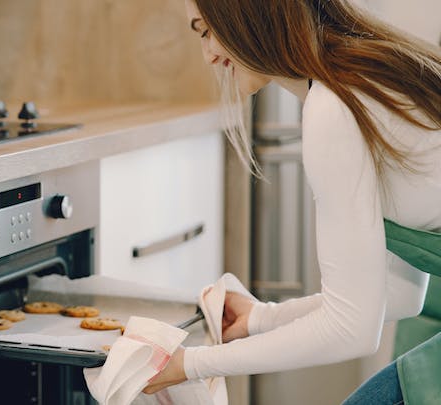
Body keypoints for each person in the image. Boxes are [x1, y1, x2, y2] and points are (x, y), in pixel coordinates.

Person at [144, 0, 441, 403]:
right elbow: (401, 295)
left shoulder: (334, 108)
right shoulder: (362, 76)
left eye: (207, 30)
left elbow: (350, 328)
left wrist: (190, 364)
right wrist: (259, 319)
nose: (209, 53)